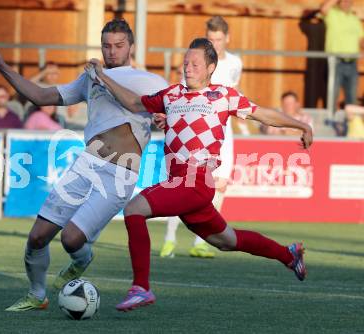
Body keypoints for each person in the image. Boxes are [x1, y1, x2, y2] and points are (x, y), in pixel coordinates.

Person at [86, 37, 313, 312]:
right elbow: (134, 103)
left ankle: (141, 287)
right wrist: (101, 76)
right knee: (227, 241)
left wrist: (300, 125)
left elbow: (263, 114)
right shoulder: (171, 96)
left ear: (211, 67)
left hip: (196, 181)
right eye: (185, 63)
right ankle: (287, 255)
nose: (188, 68)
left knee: (134, 210)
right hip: (181, 183)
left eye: (195, 64)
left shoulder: (224, 96)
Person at [0, 18, 167, 312]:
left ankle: (82, 259)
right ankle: (37, 294)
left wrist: (105, 78)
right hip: (86, 164)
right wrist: (2, 68)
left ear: (131, 46)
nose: (112, 51)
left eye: (119, 45)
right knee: (37, 236)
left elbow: (151, 108)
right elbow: (41, 96)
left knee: (71, 239)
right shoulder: (89, 78)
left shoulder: (151, 82)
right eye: (106, 46)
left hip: (119, 174)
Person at [160, 16, 238, 259]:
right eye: (210, 38)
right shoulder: (196, 61)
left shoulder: (236, 63)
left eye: (218, 39)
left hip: (224, 129)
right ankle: (170, 239)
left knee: (220, 184)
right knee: (182, 183)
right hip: (196, 127)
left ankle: (200, 242)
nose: (213, 43)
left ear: (227, 38)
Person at [321, 0, 364, 105]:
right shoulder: (332, 14)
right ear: (338, 3)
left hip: (352, 62)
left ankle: (352, 121)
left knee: (352, 96)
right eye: (343, 1)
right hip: (336, 62)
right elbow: (323, 9)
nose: (346, 3)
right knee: (333, 95)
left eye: (348, 1)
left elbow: (361, 39)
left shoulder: (354, 19)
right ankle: (331, 120)